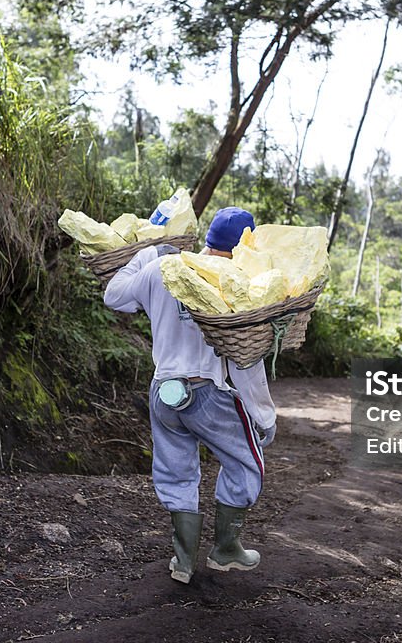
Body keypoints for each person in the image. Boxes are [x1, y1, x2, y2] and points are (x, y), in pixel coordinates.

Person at [103, 206, 277, 584]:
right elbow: (246, 363)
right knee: (247, 463)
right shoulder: (240, 286)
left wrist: (145, 256)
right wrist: (263, 415)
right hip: (207, 393)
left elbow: (114, 297)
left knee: (175, 471)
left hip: (162, 393)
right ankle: (226, 550)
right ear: (246, 246)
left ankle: (182, 560)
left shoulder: (161, 266)